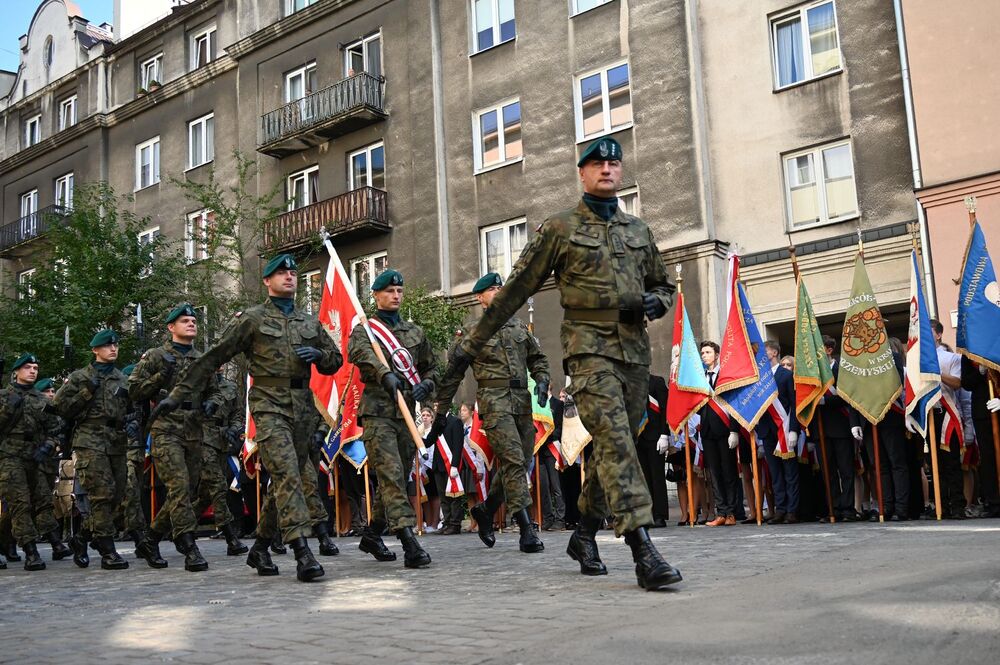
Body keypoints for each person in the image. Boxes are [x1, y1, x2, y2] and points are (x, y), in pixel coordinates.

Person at [436, 137, 681, 590]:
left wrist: (657, 301)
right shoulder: (560, 228)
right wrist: (470, 345)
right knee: (615, 439)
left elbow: (664, 285)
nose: (607, 169)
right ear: (582, 173)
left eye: (614, 163)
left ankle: (583, 534)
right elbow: (514, 291)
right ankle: (642, 550)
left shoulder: (638, 231)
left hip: (633, 352)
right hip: (588, 350)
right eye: (597, 163)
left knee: (615, 446)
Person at [156, 254, 343, 582]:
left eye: (292, 272)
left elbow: (335, 360)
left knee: (286, 481)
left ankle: (260, 548)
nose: (289, 276)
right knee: (287, 474)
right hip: (268, 405)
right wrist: (177, 394)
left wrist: (320, 355)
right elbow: (214, 357)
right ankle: (303, 552)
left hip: (302, 408)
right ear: (267, 281)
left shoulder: (308, 322)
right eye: (281, 273)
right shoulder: (251, 319)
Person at [438, 272, 549, 553]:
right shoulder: (472, 331)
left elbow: (537, 359)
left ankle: (486, 510)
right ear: (480, 298)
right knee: (513, 460)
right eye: (492, 289)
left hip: (522, 402)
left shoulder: (518, 326)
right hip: (494, 402)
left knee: (520, 462)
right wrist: (440, 412)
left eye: (501, 288)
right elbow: (453, 374)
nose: (499, 292)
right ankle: (526, 529)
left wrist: (543, 380)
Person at [347, 268, 435, 569]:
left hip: (406, 414)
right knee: (391, 475)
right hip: (378, 414)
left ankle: (372, 534)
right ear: (376, 295)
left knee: (397, 477)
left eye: (399, 291)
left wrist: (426, 384)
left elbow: (430, 367)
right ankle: (409, 542)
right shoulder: (365, 331)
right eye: (389, 291)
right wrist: (384, 374)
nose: (396, 295)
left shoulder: (414, 332)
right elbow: (361, 355)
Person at [130, 304, 221, 572]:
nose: (191, 324)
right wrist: (161, 376)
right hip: (165, 428)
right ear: (171, 327)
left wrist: (213, 403)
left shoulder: (202, 359)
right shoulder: (156, 356)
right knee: (179, 486)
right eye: (185, 321)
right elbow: (134, 390)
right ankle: (188, 544)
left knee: (185, 491)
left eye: (193, 320)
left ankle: (151, 538)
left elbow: (216, 391)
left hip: (194, 430)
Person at [53, 330, 131, 570]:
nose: (113, 349)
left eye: (115, 345)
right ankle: (108, 551)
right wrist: (86, 392)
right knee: (101, 494)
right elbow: (60, 408)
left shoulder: (122, 378)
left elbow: (130, 408)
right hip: (89, 439)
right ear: (95, 350)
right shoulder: (80, 377)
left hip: (116, 440)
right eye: (107, 346)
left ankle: (83, 537)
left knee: (117, 495)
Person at [0, 354, 70, 570]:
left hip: (36, 456)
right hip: (9, 455)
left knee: (41, 500)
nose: (32, 371)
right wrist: (8, 408)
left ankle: (7, 542)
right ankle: (31, 551)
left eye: (35, 368)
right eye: (27, 367)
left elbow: (55, 428)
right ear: (16, 371)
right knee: (20, 503)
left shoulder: (42, 400)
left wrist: (48, 446)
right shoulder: (4, 396)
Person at [194, 367, 249, 555]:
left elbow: (238, 413)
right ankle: (231, 537)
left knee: (205, 494)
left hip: (223, 442)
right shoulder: (199, 386)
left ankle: (168, 528)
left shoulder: (231, 387)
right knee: (218, 487)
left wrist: (234, 428)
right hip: (203, 439)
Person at [699, 341, 741, 527]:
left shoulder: (726, 376)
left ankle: (731, 512)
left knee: (728, 471)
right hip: (707, 430)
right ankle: (721, 512)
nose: (704, 356)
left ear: (717, 355)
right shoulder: (700, 378)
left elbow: (734, 403)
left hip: (725, 430)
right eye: (702, 353)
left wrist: (734, 430)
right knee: (714, 473)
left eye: (708, 352)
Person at [929, 320, 967, 518]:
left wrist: (938, 374)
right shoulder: (916, 359)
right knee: (934, 464)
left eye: (930, 332)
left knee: (951, 463)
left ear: (938, 335)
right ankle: (940, 505)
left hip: (947, 413)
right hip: (929, 414)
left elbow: (957, 383)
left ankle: (958, 505)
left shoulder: (951, 358)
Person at [818, 335, 859, 521]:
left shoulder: (841, 369)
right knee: (828, 472)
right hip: (821, 429)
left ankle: (848, 509)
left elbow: (847, 396)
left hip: (841, 427)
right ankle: (833, 509)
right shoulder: (814, 373)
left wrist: (825, 401)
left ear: (829, 350)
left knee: (846, 470)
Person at [761, 341, 802, 524]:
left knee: (790, 472)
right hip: (768, 431)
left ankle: (792, 510)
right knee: (775, 473)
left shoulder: (787, 375)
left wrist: (793, 429)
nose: (762, 355)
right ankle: (780, 508)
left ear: (774, 353)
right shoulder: (761, 377)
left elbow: (794, 404)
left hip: (784, 429)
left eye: (765, 351)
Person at [961, 355, 1000, 517]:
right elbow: (966, 383)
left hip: (997, 402)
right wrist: (980, 372)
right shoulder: (969, 353)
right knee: (987, 458)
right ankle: (994, 502)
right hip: (982, 410)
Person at [422, 406, 465, 535]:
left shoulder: (455, 421)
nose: (436, 408)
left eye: (438, 406)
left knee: (454, 495)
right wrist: (415, 437)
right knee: (443, 496)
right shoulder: (437, 423)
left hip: (450, 464)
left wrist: (455, 465)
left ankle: (455, 524)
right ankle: (447, 522)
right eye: (435, 406)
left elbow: (458, 445)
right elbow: (429, 441)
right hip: (438, 464)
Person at [635, 373, 669, 527]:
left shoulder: (656, 382)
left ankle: (660, 515)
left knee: (657, 477)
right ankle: (647, 514)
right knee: (643, 478)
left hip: (655, 436)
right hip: (638, 436)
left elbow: (665, 408)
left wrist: (664, 434)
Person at [538, 390, 567, 530]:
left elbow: (560, 427)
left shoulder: (558, 404)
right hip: (540, 449)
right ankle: (548, 518)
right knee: (543, 487)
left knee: (556, 486)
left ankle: (560, 519)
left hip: (552, 447)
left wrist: (547, 436)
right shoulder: (537, 404)